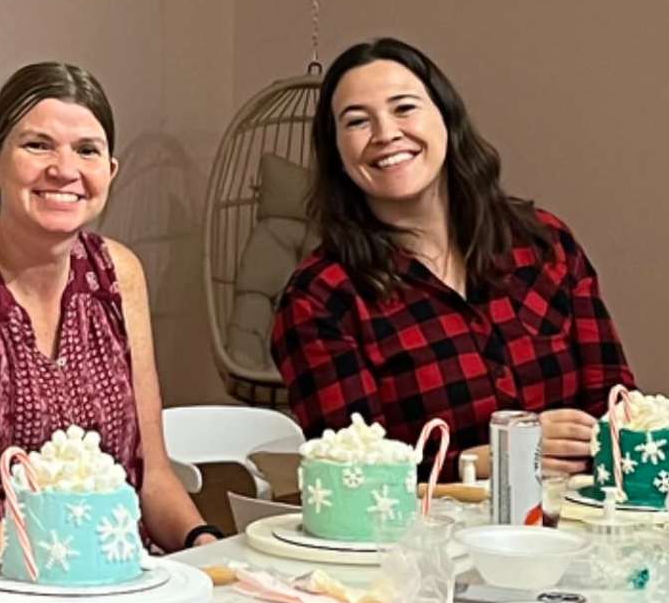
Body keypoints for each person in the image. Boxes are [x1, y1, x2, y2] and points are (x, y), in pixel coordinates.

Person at [0, 60, 206, 552]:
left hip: (121, 577)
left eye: (87, 151)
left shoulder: (120, 273)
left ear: (110, 172)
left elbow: (152, 478)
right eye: (37, 145)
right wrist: (89, 577)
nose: (65, 169)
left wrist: (204, 543)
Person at [268, 37, 631, 466]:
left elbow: (616, 400)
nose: (386, 134)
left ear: (446, 118)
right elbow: (353, 474)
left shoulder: (544, 243)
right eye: (356, 122)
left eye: (404, 108)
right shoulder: (319, 298)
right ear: (337, 155)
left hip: (580, 520)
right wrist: (487, 460)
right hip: (425, 531)